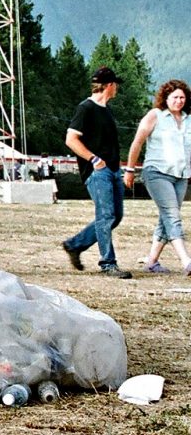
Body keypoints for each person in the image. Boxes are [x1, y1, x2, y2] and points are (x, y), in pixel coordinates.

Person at [62, 66, 132, 278]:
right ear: (109, 86)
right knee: (106, 216)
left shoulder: (107, 110)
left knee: (115, 216)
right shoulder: (86, 108)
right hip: (98, 171)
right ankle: (108, 263)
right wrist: (94, 160)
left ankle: (75, 245)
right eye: (116, 85)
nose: (117, 88)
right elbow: (71, 139)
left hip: (112, 170)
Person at [125, 79, 191, 275]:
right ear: (166, 98)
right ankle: (186, 261)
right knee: (172, 216)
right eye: (175, 97)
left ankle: (152, 261)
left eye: (182, 97)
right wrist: (130, 169)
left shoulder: (188, 119)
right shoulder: (155, 116)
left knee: (167, 217)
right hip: (157, 172)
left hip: (180, 175)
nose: (178, 101)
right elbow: (137, 143)